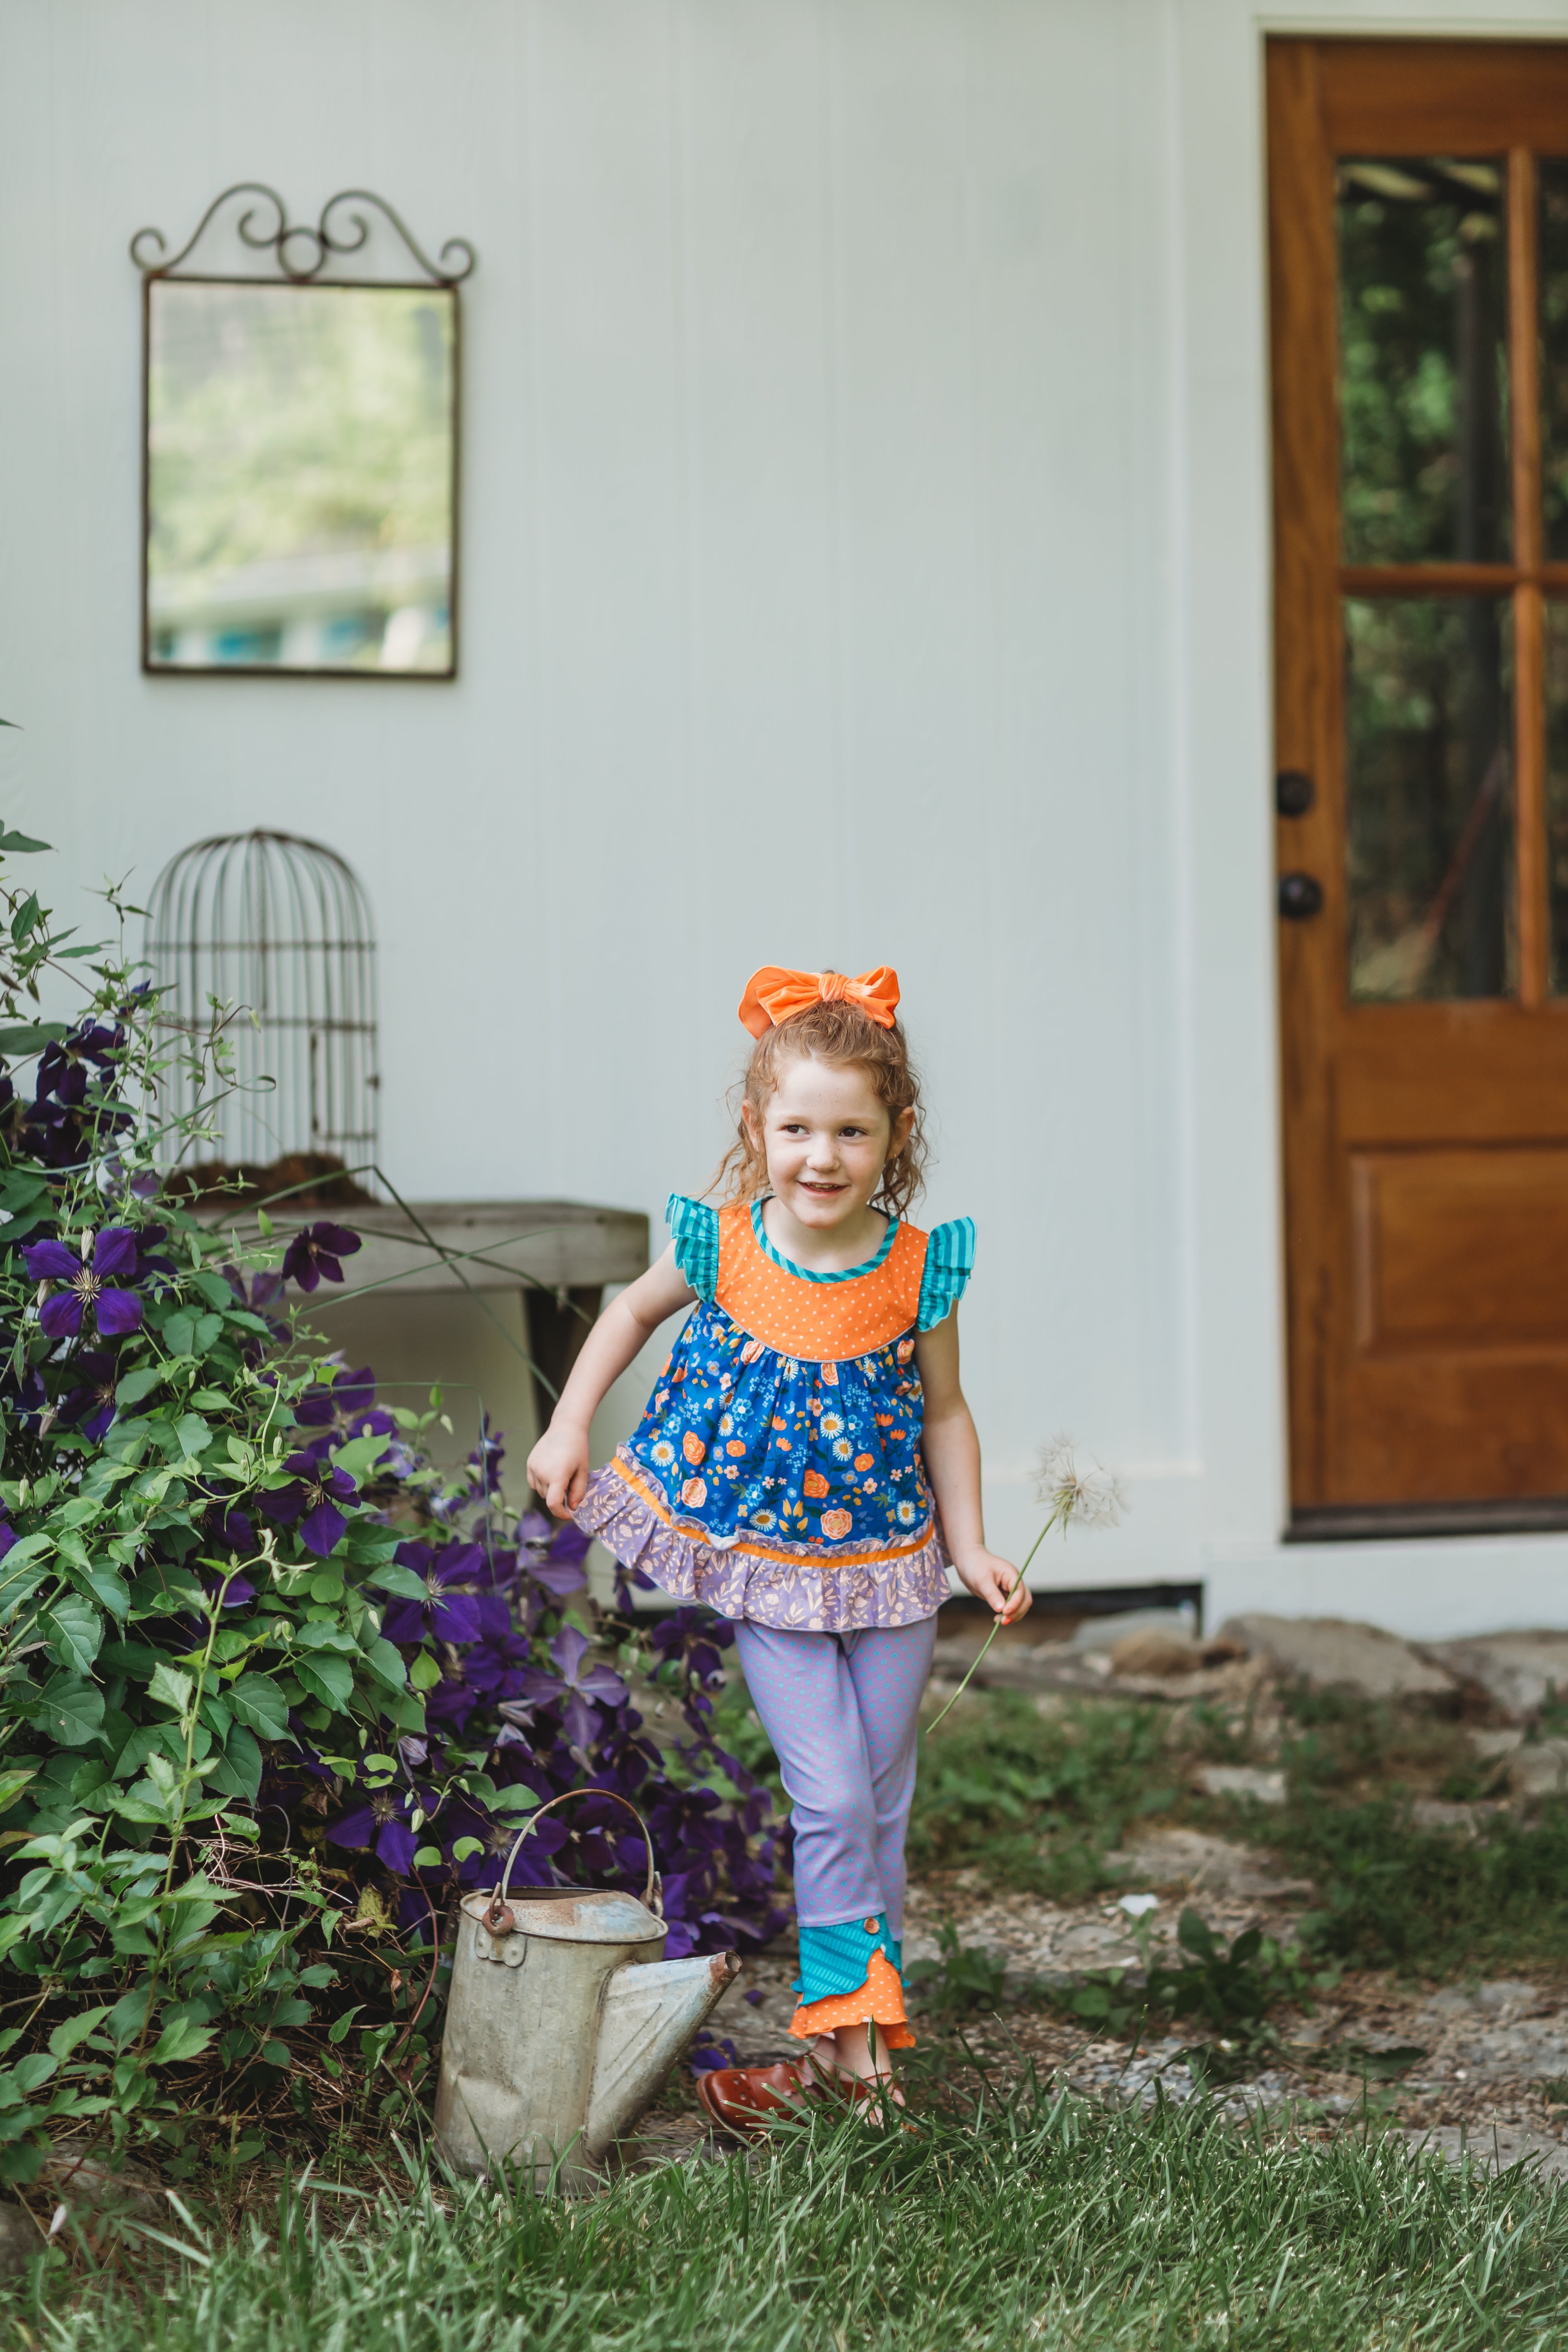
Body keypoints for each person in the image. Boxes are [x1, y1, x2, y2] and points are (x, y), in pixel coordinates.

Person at [526, 963, 1028, 2125]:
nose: (821, 1155)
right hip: (774, 1574)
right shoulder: (729, 1246)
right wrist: (567, 1424)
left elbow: (946, 1412)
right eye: (796, 1126)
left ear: (894, 1135)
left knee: (882, 1804)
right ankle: (850, 2055)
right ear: (757, 1128)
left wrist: (974, 1546)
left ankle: (849, 2046)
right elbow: (629, 1314)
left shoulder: (915, 1269)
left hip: (896, 1570)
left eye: (851, 1130)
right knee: (833, 1801)